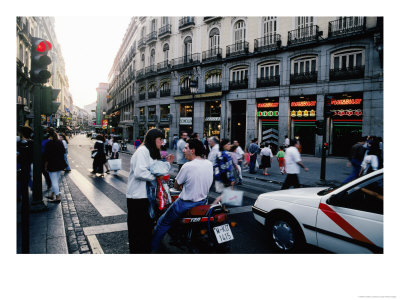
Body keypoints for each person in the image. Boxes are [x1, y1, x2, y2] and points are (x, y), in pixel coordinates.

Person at [151, 138, 213, 252]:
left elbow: (176, 185)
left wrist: (181, 186)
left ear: (193, 150)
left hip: (185, 204)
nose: (183, 150)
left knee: (162, 223)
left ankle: (152, 250)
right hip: (203, 202)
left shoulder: (187, 166)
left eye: (186, 148)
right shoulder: (209, 164)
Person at [126, 129, 174, 253]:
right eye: (160, 140)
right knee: (138, 229)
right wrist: (156, 177)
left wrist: (167, 164)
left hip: (147, 196)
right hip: (137, 197)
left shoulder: (150, 152)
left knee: (146, 227)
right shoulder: (142, 151)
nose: (162, 143)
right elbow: (140, 172)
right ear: (153, 139)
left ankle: (144, 250)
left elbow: (157, 169)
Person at [44, 130, 67, 202]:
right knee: (56, 180)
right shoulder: (60, 142)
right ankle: (52, 194)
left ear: (50, 136)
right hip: (60, 163)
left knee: (54, 181)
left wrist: (45, 165)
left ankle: (57, 197)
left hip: (52, 164)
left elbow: (46, 156)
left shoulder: (48, 143)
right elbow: (63, 151)